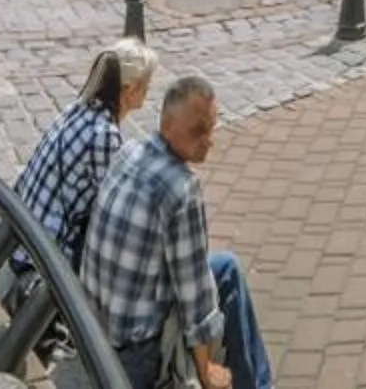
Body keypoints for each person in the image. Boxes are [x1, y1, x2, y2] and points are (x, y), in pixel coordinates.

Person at [81, 76, 275, 389]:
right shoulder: (182, 189)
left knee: (225, 268)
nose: (208, 140)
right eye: (198, 130)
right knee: (223, 277)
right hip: (137, 355)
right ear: (167, 124)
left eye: (211, 127)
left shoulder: (129, 151)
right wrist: (207, 369)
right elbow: (195, 296)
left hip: (93, 331)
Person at [7, 39, 159, 345]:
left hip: (20, 240)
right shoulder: (104, 135)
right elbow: (113, 212)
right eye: (147, 84)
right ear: (131, 89)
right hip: (44, 259)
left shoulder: (78, 109)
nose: (149, 90)